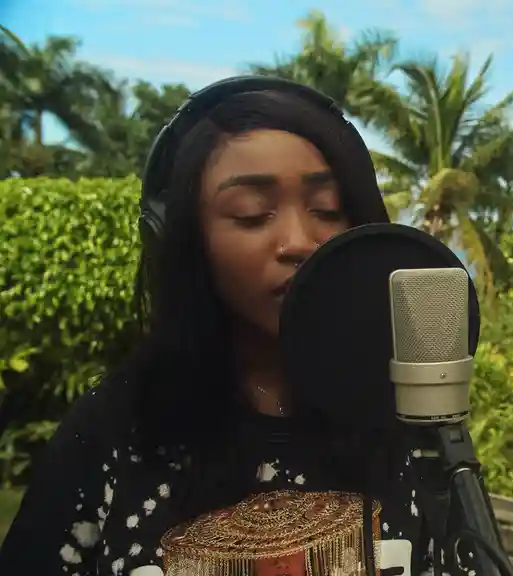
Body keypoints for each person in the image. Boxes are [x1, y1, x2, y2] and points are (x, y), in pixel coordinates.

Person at [0, 78, 459, 575]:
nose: (299, 242)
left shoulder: (412, 432)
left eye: (326, 210)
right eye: (252, 213)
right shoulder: (114, 430)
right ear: (183, 242)